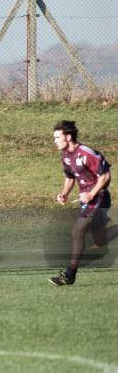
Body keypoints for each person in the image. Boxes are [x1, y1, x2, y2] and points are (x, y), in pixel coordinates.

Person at [50, 120, 118, 286]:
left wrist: (91, 194)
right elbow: (69, 177)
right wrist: (64, 194)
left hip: (99, 197)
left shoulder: (87, 153)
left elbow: (105, 176)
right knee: (100, 240)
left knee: (77, 231)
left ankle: (69, 274)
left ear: (68, 136)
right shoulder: (66, 156)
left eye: (57, 137)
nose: (54, 141)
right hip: (88, 200)